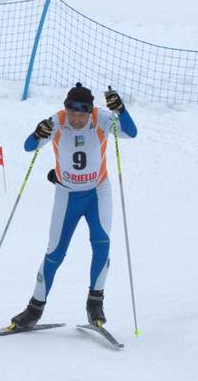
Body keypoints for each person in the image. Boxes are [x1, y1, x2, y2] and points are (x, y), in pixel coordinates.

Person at [10, 83, 138, 330]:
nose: (76, 120)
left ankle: (95, 303)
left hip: (97, 192)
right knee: (55, 252)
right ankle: (34, 309)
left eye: (81, 115)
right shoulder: (57, 121)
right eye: (72, 114)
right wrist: (37, 133)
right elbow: (28, 147)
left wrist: (121, 110)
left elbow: (131, 133)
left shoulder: (101, 118)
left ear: (90, 111)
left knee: (102, 242)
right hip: (67, 195)